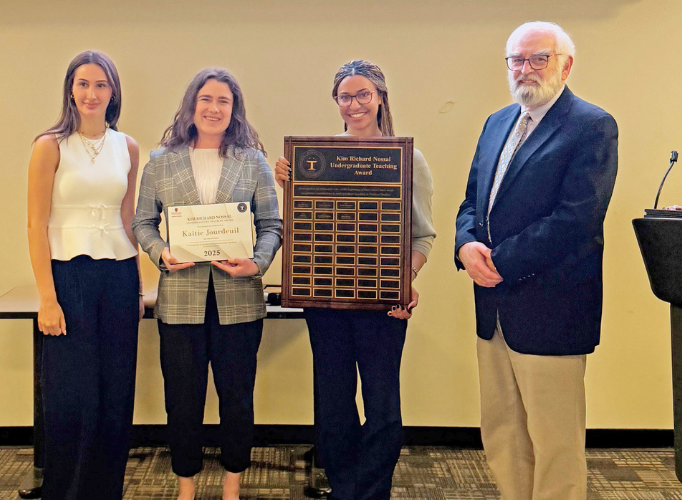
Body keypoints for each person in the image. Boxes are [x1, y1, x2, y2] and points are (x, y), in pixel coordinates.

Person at [454, 22, 618, 500]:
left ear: (565, 64)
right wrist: (466, 246)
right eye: (517, 60)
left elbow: (576, 219)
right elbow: (472, 202)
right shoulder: (496, 122)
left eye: (538, 58)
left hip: (552, 308)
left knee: (555, 441)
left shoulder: (592, 125)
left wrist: (500, 260)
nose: (525, 69)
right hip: (493, 307)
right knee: (502, 430)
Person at [274, 60, 435, 500]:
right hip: (324, 302)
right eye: (345, 96)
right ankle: (345, 489)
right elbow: (301, 231)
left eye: (363, 94)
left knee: (382, 407)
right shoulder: (312, 159)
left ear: (381, 97)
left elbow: (423, 235)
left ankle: (371, 492)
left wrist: (406, 279)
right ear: (337, 103)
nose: (355, 104)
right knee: (333, 406)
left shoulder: (407, 157)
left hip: (384, 304)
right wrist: (286, 187)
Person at [132, 68, 282, 500]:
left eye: (224, 101)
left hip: (240, 300)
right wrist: (161, 252)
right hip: (180, 301)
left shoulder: (252, 161)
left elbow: (272, 225)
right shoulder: (161, 161)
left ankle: (232, 485)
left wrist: (256, 264)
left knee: (237, 400)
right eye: (206, 100)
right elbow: (143, 222)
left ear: (234, 110)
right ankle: (186, 487)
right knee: (182, 402)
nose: (214, 108)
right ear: (191, 106)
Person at [26, 51, 143, 500]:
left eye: (101, 85)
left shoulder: (128, 146)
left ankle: (104, 491)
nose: (91, 94)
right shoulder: (49, 145)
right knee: (72, 395)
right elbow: (36, 224)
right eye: (83, 84)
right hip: (67, 277)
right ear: (70, 90)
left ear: (113, 92)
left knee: (115, 393)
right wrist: (47, 298)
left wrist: (137, 285)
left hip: (117, 277)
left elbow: (128, 219)